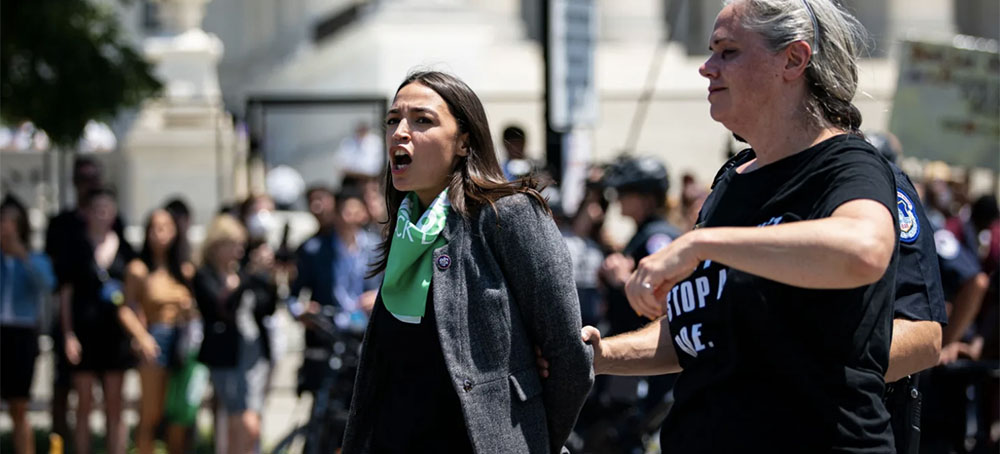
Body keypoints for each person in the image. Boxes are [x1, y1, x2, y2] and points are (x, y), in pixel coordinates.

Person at [586, 1, 900, 451]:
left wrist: (702, 245)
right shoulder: (732, 183)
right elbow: (701, 332)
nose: (706, 68)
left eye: (727, 51)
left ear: (793, 59)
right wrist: (598, 357)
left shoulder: (848, 164)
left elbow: (863, 251)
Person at [341, 71, 593, 453]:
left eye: (422, 120)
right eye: (393, 120)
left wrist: (529, 443)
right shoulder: (406, 230)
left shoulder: (509, 216)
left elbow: (569, 358)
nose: (399, 132)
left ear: (463, 141)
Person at [59, 188, 136, 454]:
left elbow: (134, 294)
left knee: (115, 405)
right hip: (84, 333)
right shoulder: (76, 246)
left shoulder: (125, 248)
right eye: (96, 209)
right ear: (88, 214)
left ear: (114, 214)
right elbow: (66, 295)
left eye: (107, 209)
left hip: (115, 336)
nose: (101, 214)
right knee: (84, 404)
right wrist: (68, 334)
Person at [194, 214, 276, 454]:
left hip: (253, 353)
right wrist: (247, 278)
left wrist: (267, 279)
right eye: (234, 244)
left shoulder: (240, 273)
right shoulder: (205, 275)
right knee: (238, 419)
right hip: (225, 356)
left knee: (249, 419)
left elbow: (266, 308)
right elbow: (222, 309)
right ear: (218, 245)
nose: (239, 250)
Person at [117, 209, 197, 454]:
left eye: (165, 227)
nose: (159, 234)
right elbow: (126, 309)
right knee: (151, 412)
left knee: (179, 413)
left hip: (182, 340)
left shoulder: (184, 270)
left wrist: (189, 308)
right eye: (154, 227)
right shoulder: (139, 269)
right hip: (155, 338)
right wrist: (142, 337)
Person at [289, 185, 379, 395]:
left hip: (365, 335)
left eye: (357, 209)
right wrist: (302, 311)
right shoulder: (314, 249)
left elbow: (393, 287)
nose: (351, 216)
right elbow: (293, 297)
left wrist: (377, 296)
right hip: (329, 336)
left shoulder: (377, 247)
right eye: (346, 209)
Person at [1, 195, 56, 454]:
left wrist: (22, 255)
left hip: (22, 335)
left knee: (19, 405)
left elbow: (47, 285)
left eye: (13, 221)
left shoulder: (35, 259)